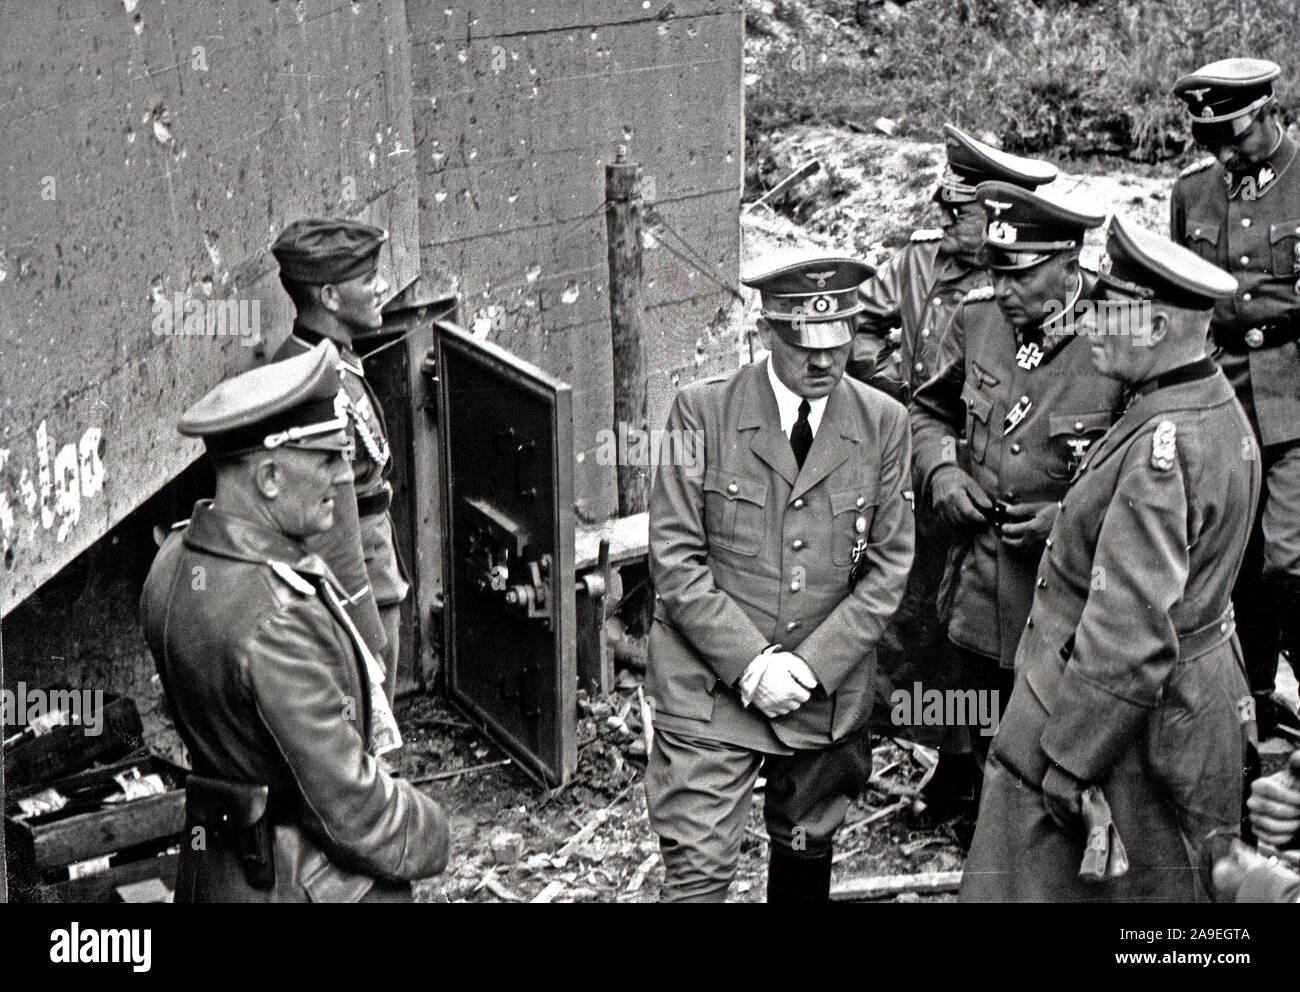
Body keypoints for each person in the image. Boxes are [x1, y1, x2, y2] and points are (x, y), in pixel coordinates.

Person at [961, 215, 1258, 902]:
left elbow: (1129, 629)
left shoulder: (1162, 444)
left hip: (1124, 727)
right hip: (1180, 709)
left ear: (1154, 330)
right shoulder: (1208, 406)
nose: (1088, 324)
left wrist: (1067, 758)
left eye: (1107, 312)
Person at [644, 249, 914, 902]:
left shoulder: (884, 424)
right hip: (710, 687)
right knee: (698, 866)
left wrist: (813, 666)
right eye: (801, 344)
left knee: (805, 846)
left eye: (838, 340)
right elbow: (675, 561)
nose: (822, 360)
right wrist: (753, 664)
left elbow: (887, 568)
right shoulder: (697, 413)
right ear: (767, 333)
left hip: (823, 693)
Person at [140, 342, 449, 902]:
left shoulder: (173, 560)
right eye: (328, 459)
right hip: (293, 880)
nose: (340, 477)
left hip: (217, 869)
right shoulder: (279, 619)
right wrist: (433, 829)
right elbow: (350, 812)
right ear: (271, 478)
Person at [852, 126, 1057, 825]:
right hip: (928, 473)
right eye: (948, 208)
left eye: (961, 213)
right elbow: (862, 324)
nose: (948, 223)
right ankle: (951, 760)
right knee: (922, 631)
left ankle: (987, 774)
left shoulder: (1023, 287)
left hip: (998, 482)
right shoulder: (918, 264)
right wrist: (889, 387)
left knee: (988, 635)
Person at [908, 183, 1126, 827]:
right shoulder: (979, 318)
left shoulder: (1122, 333)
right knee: (977, 700)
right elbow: (929, 409)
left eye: (1018, 275)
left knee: (1055, 719)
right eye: (994, 272)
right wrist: (942, 470)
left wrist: (1069, 521)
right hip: (981, 577)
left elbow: (1156, 466)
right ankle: (982, 813)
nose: (1001, 289)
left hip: (1067, 590)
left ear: (1069, 264)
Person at [1170, 58, 1300, 740]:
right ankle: (1254, 709)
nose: (1224, 151)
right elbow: (1177, 300)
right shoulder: (1194, 192)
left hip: (1295, 393)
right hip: (1223, 396)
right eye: (1209, 138)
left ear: (1267, 111)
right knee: (1234, 561)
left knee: (1289, 558)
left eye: (1235, 133)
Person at [271, 219, 410, 704]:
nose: (383, 287)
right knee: (367, 728)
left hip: (371, 567)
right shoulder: (319, 390)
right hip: (360, 582)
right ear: (329, 296)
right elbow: (335, 530)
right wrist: (366, 632)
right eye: (369, 279)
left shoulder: (321, 360)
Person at [853, 123, 1058, 402]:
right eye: (942, 208)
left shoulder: (1039, 278)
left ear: (997, 216)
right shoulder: (920, 259)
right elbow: (856, 322)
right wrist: (895, 387)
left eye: (957, 212)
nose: (941, 220)